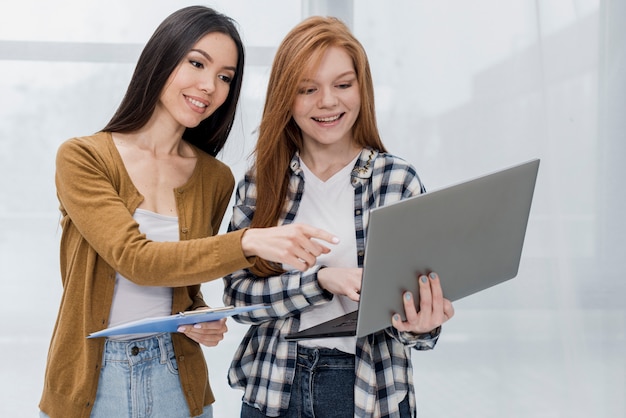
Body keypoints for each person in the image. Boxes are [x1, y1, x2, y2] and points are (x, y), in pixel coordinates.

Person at [38, 7, 338, 418]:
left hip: (175, 382)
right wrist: (248, 240)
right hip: (91, 380)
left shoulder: (215, 178)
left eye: (225, 77)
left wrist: (199, 318)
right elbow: (136, 259)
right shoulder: (83, 158)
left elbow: (185, 287)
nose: (209, 86)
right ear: (162, 59)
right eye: (197, 63)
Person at [223, 16, 455, 418]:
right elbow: (237, 300)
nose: (328, 101)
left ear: (362, 89)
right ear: (285, 97)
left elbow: (419, 325)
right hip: (275, 388)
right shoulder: (261, 183)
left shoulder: (396, 181)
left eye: (343, 85)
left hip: (370, 392)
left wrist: (422, 324)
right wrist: (319, 282)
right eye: (307, 89)